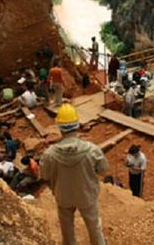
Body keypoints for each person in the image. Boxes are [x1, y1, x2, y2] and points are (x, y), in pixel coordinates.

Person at [39, 103, 108, 245]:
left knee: (67, 229)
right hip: (86, 195)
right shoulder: (92, 150)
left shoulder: (49, 154)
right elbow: (102, 169)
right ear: (77, 125)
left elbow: (44, 176)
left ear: (59, 127)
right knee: (94, 226)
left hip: (63, 196)